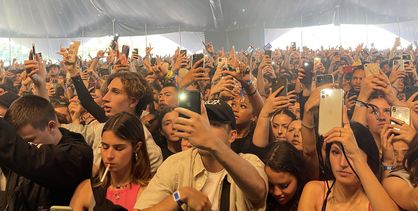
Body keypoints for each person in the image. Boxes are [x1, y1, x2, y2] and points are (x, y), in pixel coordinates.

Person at [134, 100, 268, 211]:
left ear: (232, 135)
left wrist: (212, 142)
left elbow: (258, 193)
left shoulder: (249, 161)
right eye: (202, 123)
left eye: (214, 124)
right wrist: (180, 195)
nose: (205, 129)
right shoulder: (176, 164)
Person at [0, 95, 93, 210]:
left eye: (30, 142)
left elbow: (33, 158)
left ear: (51, 126)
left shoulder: (77, 155)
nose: (25, 148)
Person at [62, 71, 163, 174]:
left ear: (133, 101)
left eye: (115, 92)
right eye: (107, 91)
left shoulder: (149, 152)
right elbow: (70, 131)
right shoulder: (101, 129)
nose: (105, 98)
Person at [298, 123, 398, 211]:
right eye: (335, 152)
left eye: (350, 155)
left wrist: (355, 154)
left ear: (368, 159)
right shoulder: (314, 191)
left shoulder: (375, 203)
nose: (342, 163)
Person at [70, 112, 152, 211]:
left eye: (118, 148)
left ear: (137, 147)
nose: (109, 156)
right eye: (105, 147)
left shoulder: (148, 191)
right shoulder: (87, 189)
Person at [383, 127, 418, 210]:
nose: (399, 158)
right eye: (395, 152)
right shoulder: (395, 180)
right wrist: (388, 163)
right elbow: (416, 200)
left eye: (404, 152)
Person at [264, 141, 308, 211]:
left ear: (298, 176)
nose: (276, 193)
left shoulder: (309, 196)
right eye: (270, 185)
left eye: (284, 186)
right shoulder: (264, 201)